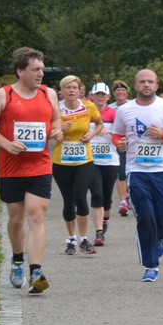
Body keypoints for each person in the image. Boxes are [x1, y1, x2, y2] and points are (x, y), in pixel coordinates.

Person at [0, 47, 59, 294]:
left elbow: (56, 120)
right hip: (11, 168)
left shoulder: (50, 94)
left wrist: (57, 130)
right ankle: (17, 260)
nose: (40, 74)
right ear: (20, 71)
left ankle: (36, 271)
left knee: (37, 214)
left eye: (42, 69)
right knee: (15, 218)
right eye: (35, 69)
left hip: (40, 165)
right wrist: (6, 143)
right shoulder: (3, 95)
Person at [110, 68, 163, 282]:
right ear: (135, 86)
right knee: (145, 216)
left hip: (162, 170)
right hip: (136, 171)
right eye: (142, 82)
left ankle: (162, 235)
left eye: (150, 82)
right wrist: (119, 143)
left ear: (156, 85)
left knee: (162, 217)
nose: (146, 85)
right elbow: (117, 134)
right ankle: (150, 265)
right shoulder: (125, 110)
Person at [50, 76, 103, 255]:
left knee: (81, 196)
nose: (71, 91)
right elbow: (48, 132)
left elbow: (100, 123)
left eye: (75, 88)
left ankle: (84, 239)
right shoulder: (55, 108)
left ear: (80, 90)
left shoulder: (88, 106)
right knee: (69, 200)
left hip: (84, 160)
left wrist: (92, 135)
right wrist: (58, 131)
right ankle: (71, 238)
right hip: (61, 161)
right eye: (68, 88)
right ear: (62, 91)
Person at [88, 82, 121, 245]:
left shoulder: (115, 114)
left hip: (110, 161)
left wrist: (112, 131)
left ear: (108, 97)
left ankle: (105, 219)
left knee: (106, 198)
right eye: (97, 94)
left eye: (103, 94)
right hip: (90, 161)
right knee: (97, 195)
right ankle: (98, 232)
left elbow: (124, 133)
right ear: (91, 95)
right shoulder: (86, 112)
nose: (100, 97)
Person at [108, 80, 133, 219]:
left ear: (127, 92)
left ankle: (129, 195)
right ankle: (123, 201)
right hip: (119, 142)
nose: (121, 93)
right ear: (114, 93)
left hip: (133, 143)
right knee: (121, 172)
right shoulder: (110, 108)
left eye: (123, 90)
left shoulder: (133, 105)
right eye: (118, 91)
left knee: (132, 171)